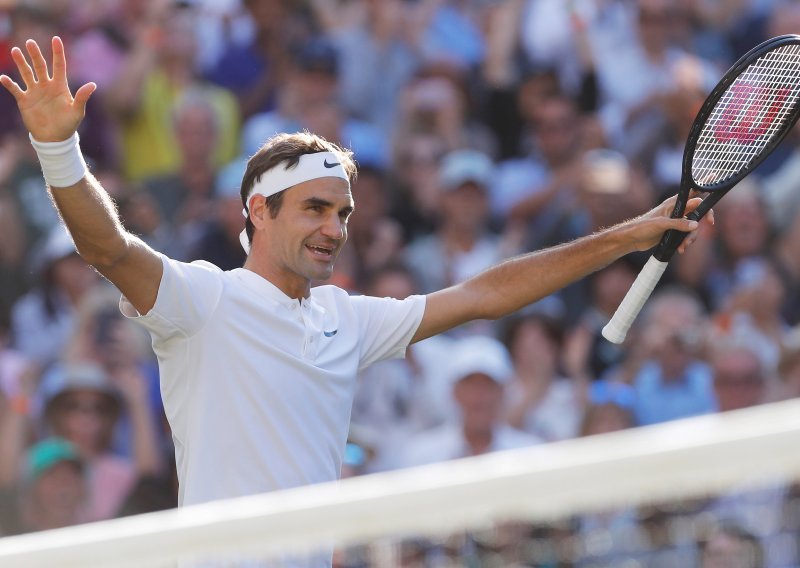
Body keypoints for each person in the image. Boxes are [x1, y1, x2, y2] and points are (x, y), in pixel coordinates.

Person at [0, 36, 706, 566]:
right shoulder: (202, 299)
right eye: (313, 208)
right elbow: (109, 250)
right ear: (258, 212)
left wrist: (627, 236)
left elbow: (488, 294)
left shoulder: (347, 316)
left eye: (342, 213)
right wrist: (59, 152)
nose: (333, 229)